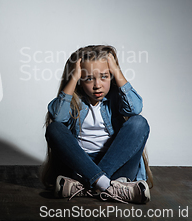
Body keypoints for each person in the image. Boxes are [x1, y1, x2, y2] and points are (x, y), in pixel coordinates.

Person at [41, 45, 152, 204]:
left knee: (139, 123)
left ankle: (88, 185)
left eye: (104, 76)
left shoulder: (116, 98)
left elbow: (136, 107)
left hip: (116, 165)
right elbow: (58, 117)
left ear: (111, 76)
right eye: (88, 78)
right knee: (55, 129)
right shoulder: (75, 100)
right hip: (80, 166)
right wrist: (73, 77)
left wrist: (116, 70)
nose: (97, 85)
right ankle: (110, 187)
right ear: (79, 80)